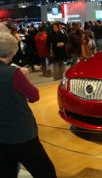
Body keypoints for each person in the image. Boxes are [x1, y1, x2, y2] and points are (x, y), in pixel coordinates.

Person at [0, 31, 57, 178]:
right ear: (12, 51)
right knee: (45, 171)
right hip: (20, 133)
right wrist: (21, 74)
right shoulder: (13, 73)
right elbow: (34, 96)